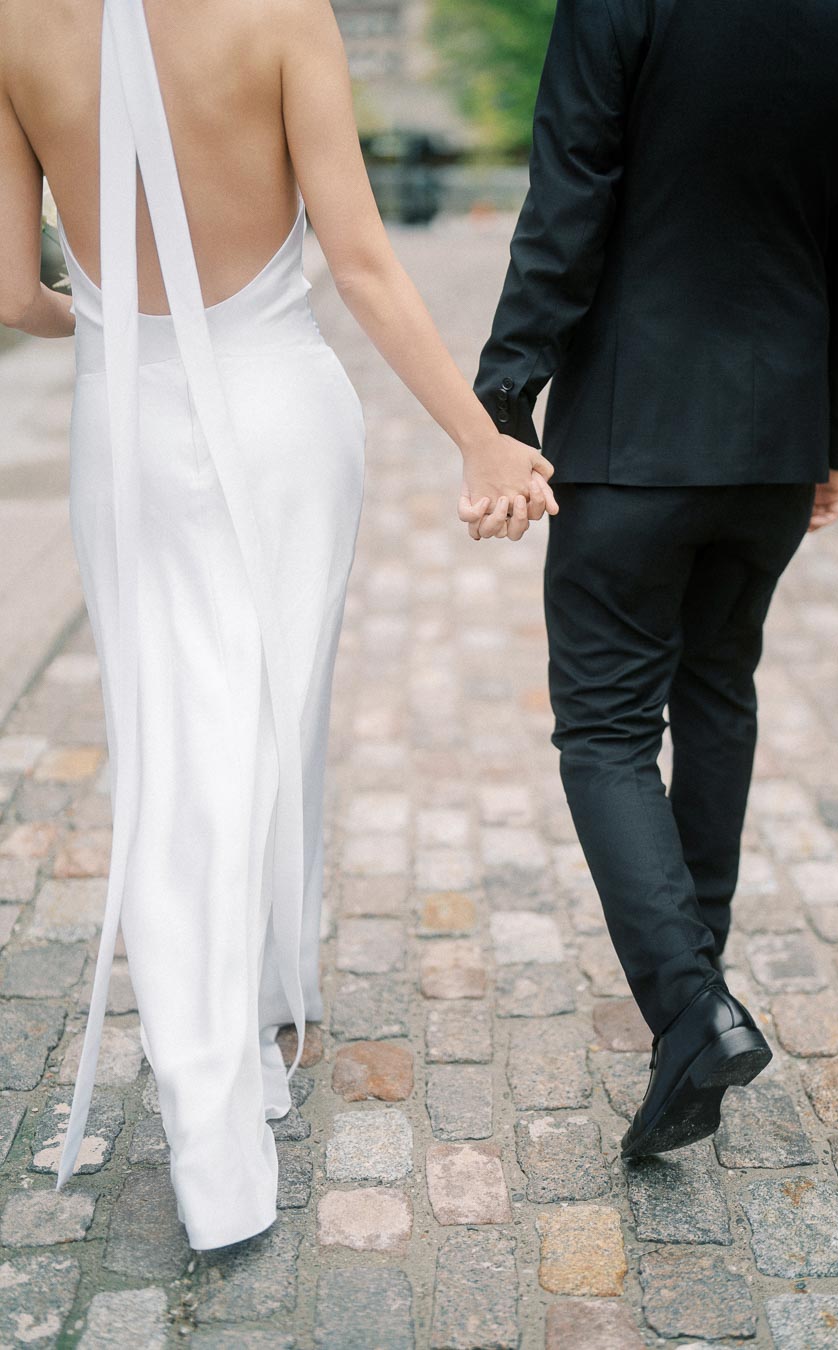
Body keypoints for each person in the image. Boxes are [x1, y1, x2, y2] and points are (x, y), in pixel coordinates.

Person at [0, 0, 557, 1250]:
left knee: (170, 745)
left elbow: (4, 284)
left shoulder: (14, 26)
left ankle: (217, 1106)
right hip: (279, 423)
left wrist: (106, 325)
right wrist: (480, 439)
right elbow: (356, 258)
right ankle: (245, 1043)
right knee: (263, 725)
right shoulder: (279, 15)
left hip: (120, 432)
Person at [466, 0, 838, 1157]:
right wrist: (833, 433)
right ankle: (693, 1014)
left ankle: (692, 1011)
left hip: (631, 436)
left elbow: (569, 196)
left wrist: (504, 394)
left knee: (605, 728)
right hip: (773, 437)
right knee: (715, 694)